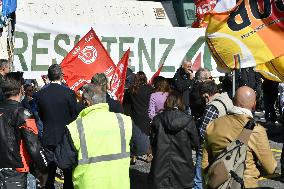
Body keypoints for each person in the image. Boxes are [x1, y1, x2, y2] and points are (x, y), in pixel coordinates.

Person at [54, 83, 132, 189]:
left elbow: (62, 161)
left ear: (86, 102)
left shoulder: (76, 127)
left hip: (87, 184)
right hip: (119, 184)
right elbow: (142, 146)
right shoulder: (124, 121)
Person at [202, 86, 277, 188]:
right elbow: (270, 168)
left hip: (217, 184)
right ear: (254, 105)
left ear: (233, 101)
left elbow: (204, 163)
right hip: (244, 184)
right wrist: (253, 170)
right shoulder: (256, 130)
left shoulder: (213, 125)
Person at [0, 72, 47, 189]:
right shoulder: (23, 113)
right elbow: (34, 146)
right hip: (17, 172)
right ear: (21, 89)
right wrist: (44, 169)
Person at [35, 64, 77, 189]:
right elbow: (73, 114)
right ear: (62, 76)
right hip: (65, 136)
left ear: (48, 76)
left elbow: (40, 116)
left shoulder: (40, 94)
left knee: (50, 173)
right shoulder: (69, 93)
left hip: (49, 136)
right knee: (68, 174)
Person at [149, 91, 199, 189]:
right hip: (183, 169)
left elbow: (153, 141)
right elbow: (195, 143)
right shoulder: (188, 120)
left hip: (160, 167)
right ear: (181, 103)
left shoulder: (158, 119)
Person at [193, 80, 234, 189]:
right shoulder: (227, 100)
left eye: (204, 98)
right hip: (225, 147)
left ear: (206, 95)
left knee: (199, 181)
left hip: (209, 150)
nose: (205, 101)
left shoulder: (213, 106)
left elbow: (204, 131)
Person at [129, 71, 154, 164]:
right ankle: (149, 154)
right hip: (146, 116)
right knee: (146, 136)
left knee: (134, 137)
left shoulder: (132, 89)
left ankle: (134, 157)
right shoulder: (149, 89)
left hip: (135, 116)